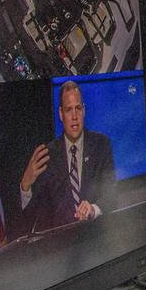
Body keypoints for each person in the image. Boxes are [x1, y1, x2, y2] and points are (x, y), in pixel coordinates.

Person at [19, 80, 115, 233]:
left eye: (78, 108)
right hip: (61, 247)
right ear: (61, 114)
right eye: (69, 110)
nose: (75, 116)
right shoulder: (48, 155)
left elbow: (112, 195)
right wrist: (25, 186)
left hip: (96, 240)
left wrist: (93, 209)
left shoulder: (101, 145)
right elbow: (34, 215)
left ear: (84, 111)